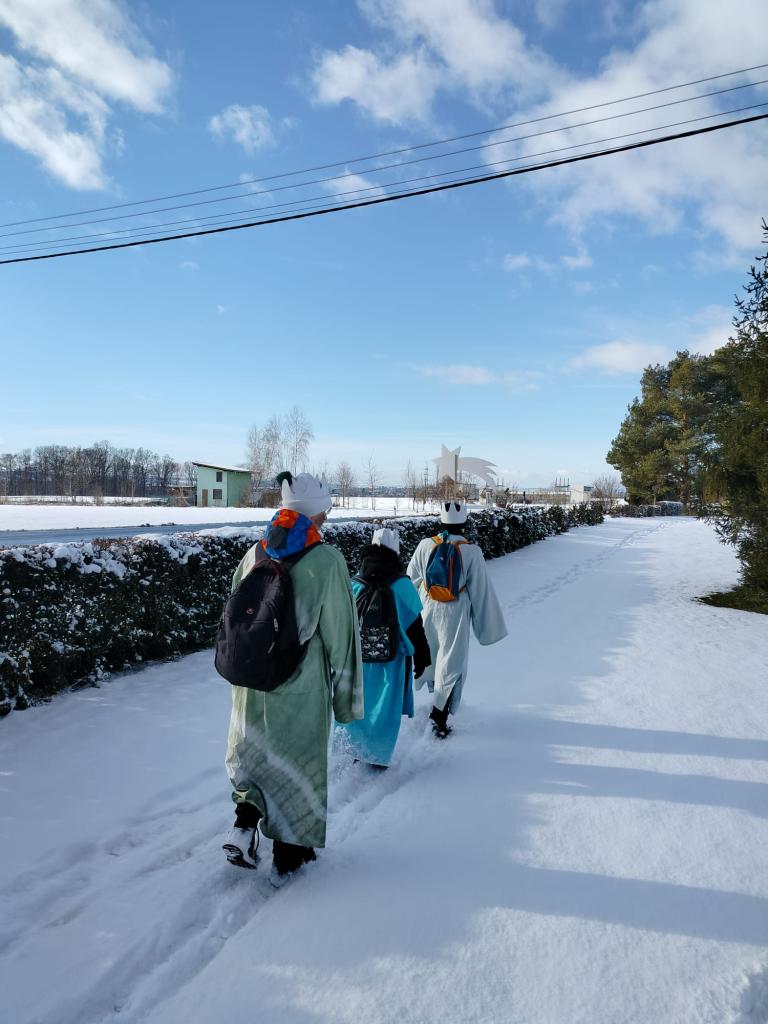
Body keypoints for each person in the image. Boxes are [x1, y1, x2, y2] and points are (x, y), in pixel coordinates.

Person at [222, 471, 363, 881]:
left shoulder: (255, 551)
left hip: (250, 683)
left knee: (252, 755)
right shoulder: (327, 560)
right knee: (296, 764)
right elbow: (342, 634)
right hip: (299, 684)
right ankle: (290, 856)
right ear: (318, 514)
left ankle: (243, 824)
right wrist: (347, 700)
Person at [407, 500, 507, 738]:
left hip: (428, 609)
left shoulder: (425, 545)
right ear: (465, 522)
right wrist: (488, 627)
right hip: (455, 612)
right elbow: (481, 590)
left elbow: (411, 579)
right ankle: (439, 716)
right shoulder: (471, 551)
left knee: (430, 654)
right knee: (451, 662)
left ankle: (435, 700)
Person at [339, 527, 431, 768]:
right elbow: (415, 628)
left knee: (360, 703)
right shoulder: (402, 585)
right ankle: (378, 755)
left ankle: (356, 748)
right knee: (384, 708)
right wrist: (423, 657)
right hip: (391, 660)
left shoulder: (354, 582)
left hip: (357, 659)